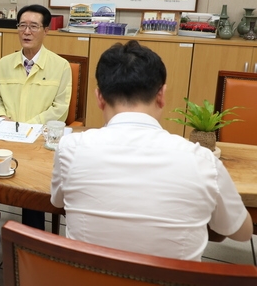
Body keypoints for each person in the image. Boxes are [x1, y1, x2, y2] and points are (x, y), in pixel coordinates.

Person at [50, 40, 252, 261]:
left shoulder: (71, 148)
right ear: (161, 95)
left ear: (99, 98)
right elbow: (241, 232)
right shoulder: (202, 161)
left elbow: (57, 202)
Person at [0, 4, 72, 230]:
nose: (26, 32)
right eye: (22, 26)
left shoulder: (61, 66)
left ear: (46, 30)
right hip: (5, 137)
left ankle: (30, 244)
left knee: (32, 190)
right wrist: (1, 116)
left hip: (39, 143)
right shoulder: (5, 63)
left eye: (34, 26)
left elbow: (60, 109)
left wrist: (27, 127)